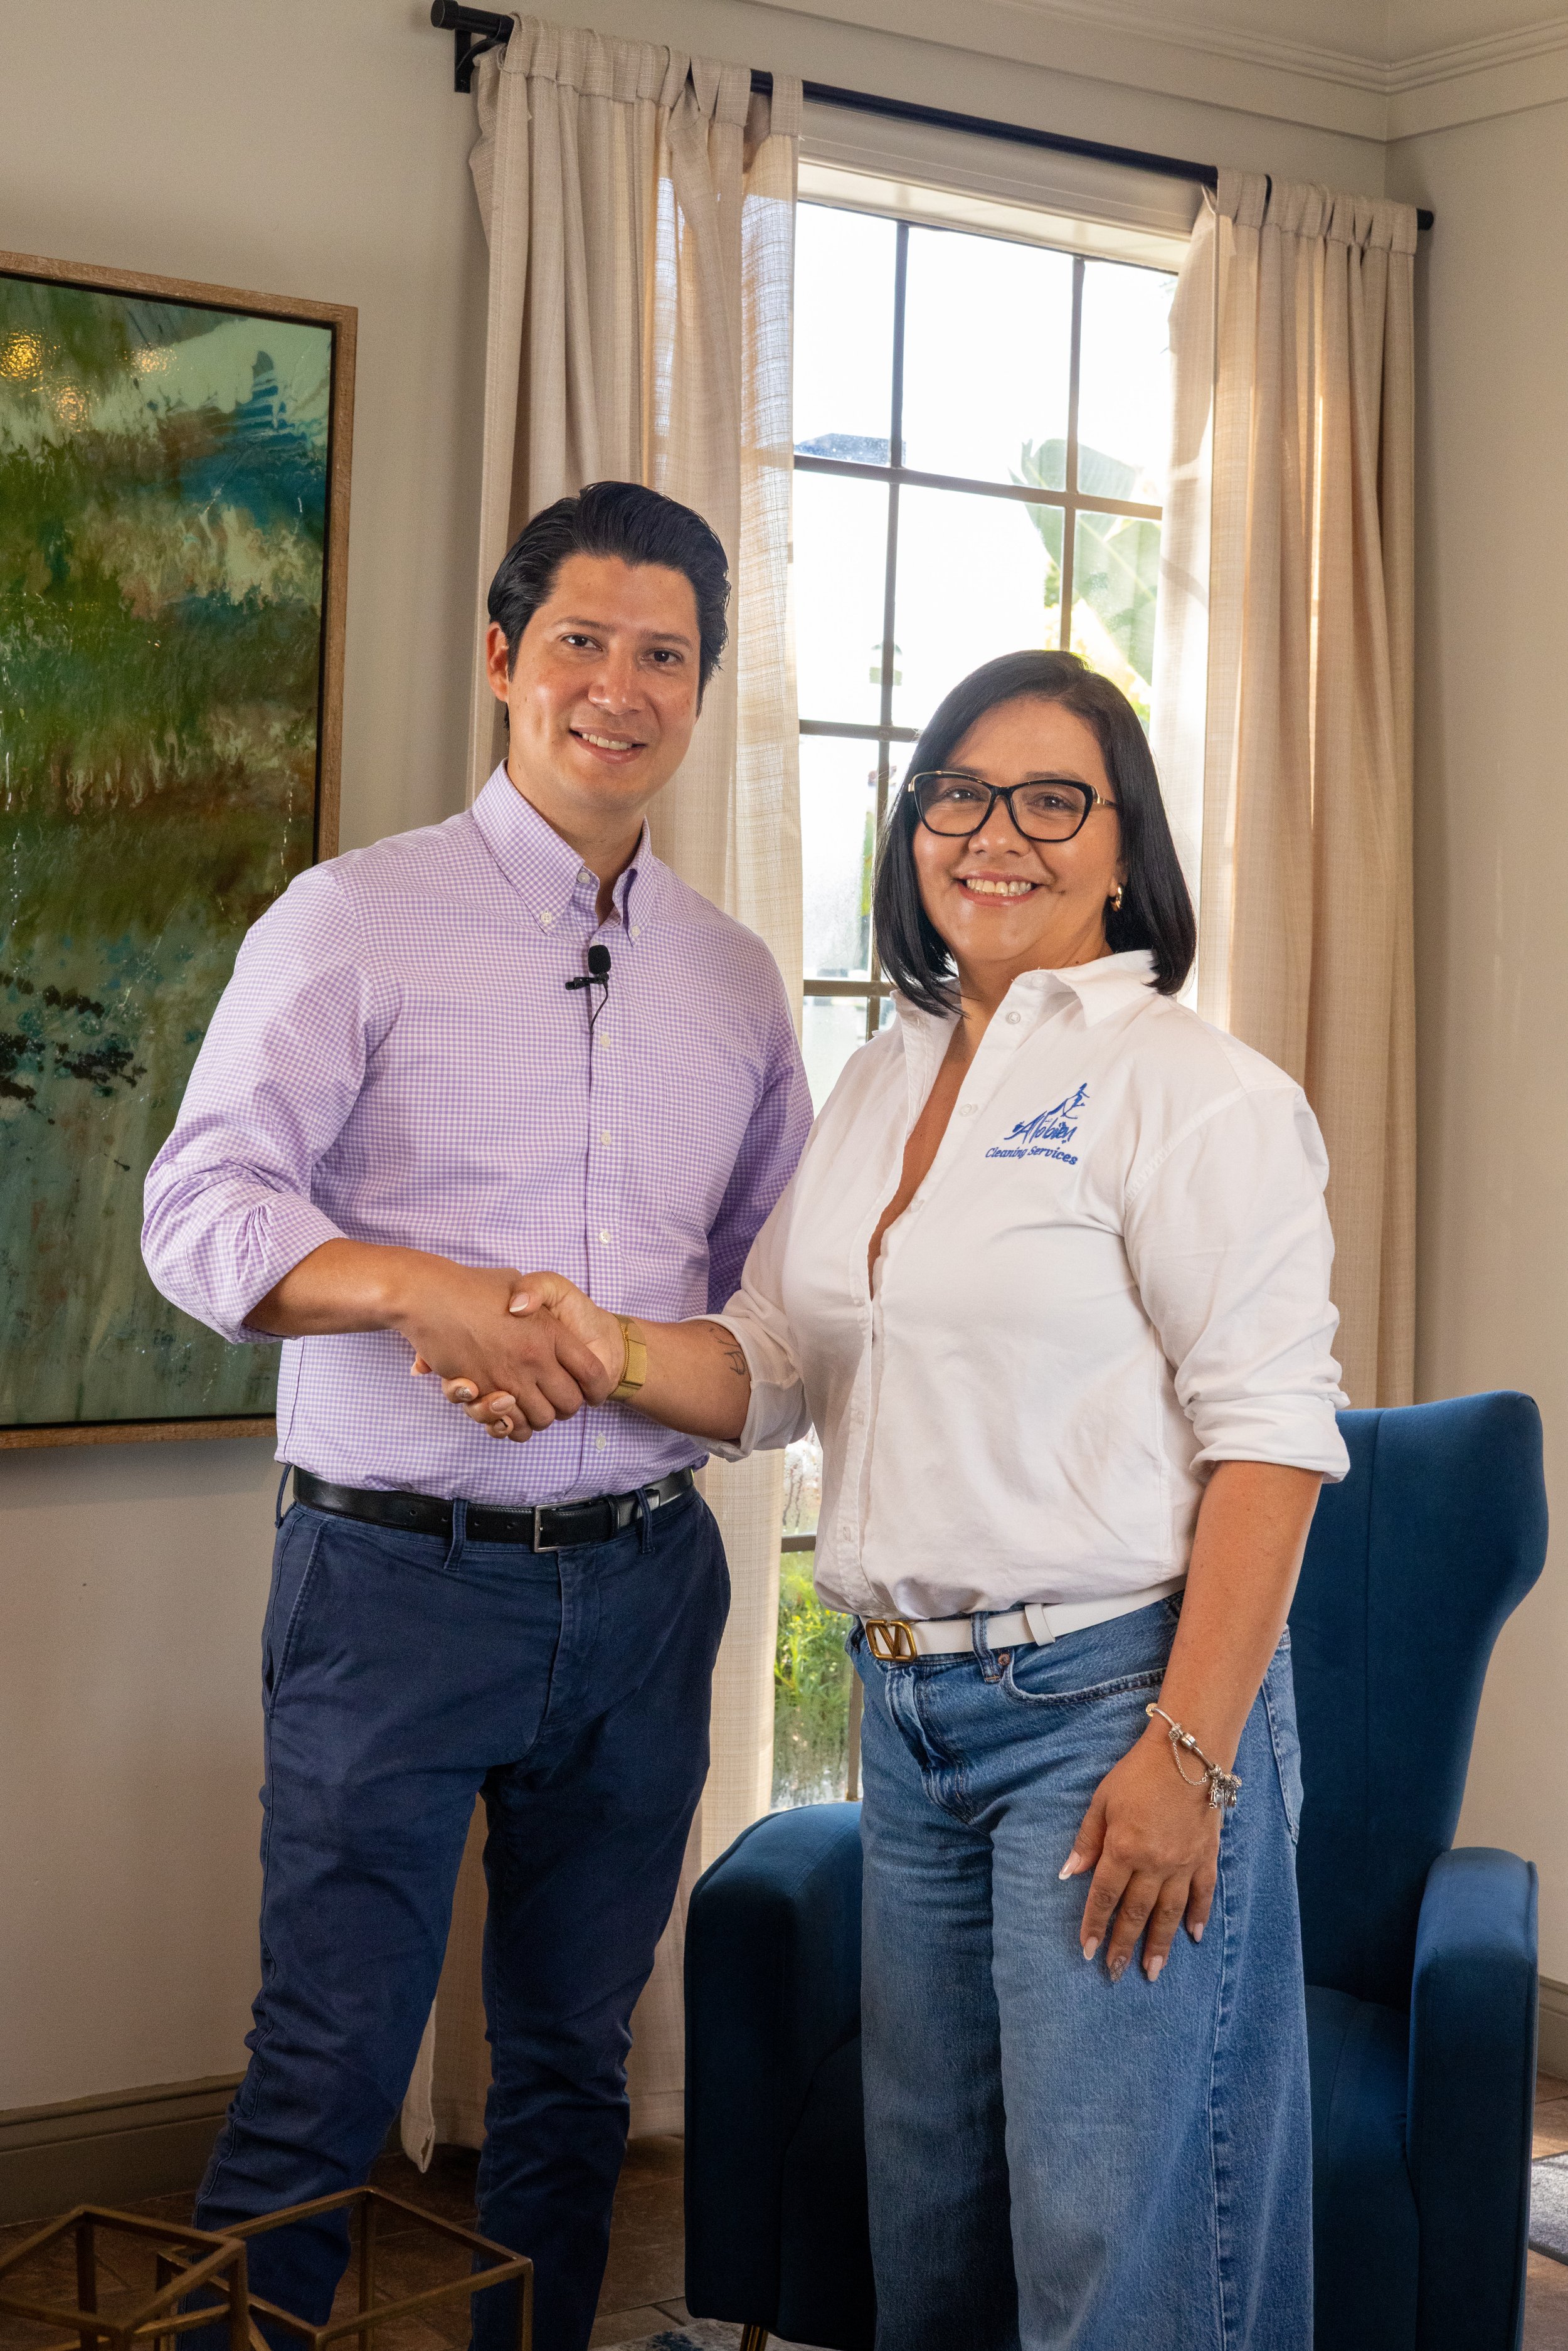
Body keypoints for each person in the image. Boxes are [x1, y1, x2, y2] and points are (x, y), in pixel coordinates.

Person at [437, 649, 1349, 2349]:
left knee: (1115, 2244)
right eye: (956, 792)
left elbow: (1273, 1438)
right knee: (929, 2222)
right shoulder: (881, 1074)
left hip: (1107, 1709)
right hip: (911, 1714)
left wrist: (1187, 1755)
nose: (994, 832)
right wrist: (597, 1343)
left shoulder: (1193, 1089)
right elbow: (777, 1357)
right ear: (912, 826)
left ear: (1121, 843)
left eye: (1050, 798)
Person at [140, 481, 812, 2351]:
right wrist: (412, 1284)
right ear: (504, 658)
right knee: (326, 2071)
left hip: (644, 1591)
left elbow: (779, 1321)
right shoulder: (353, 916)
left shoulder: (737, 982)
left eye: (664, 655)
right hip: (389, 1585)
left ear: (701, 689)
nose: (620, 686)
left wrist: (616, 1355)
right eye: (582, 642)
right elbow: (198, 1213)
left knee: (574, 2074)